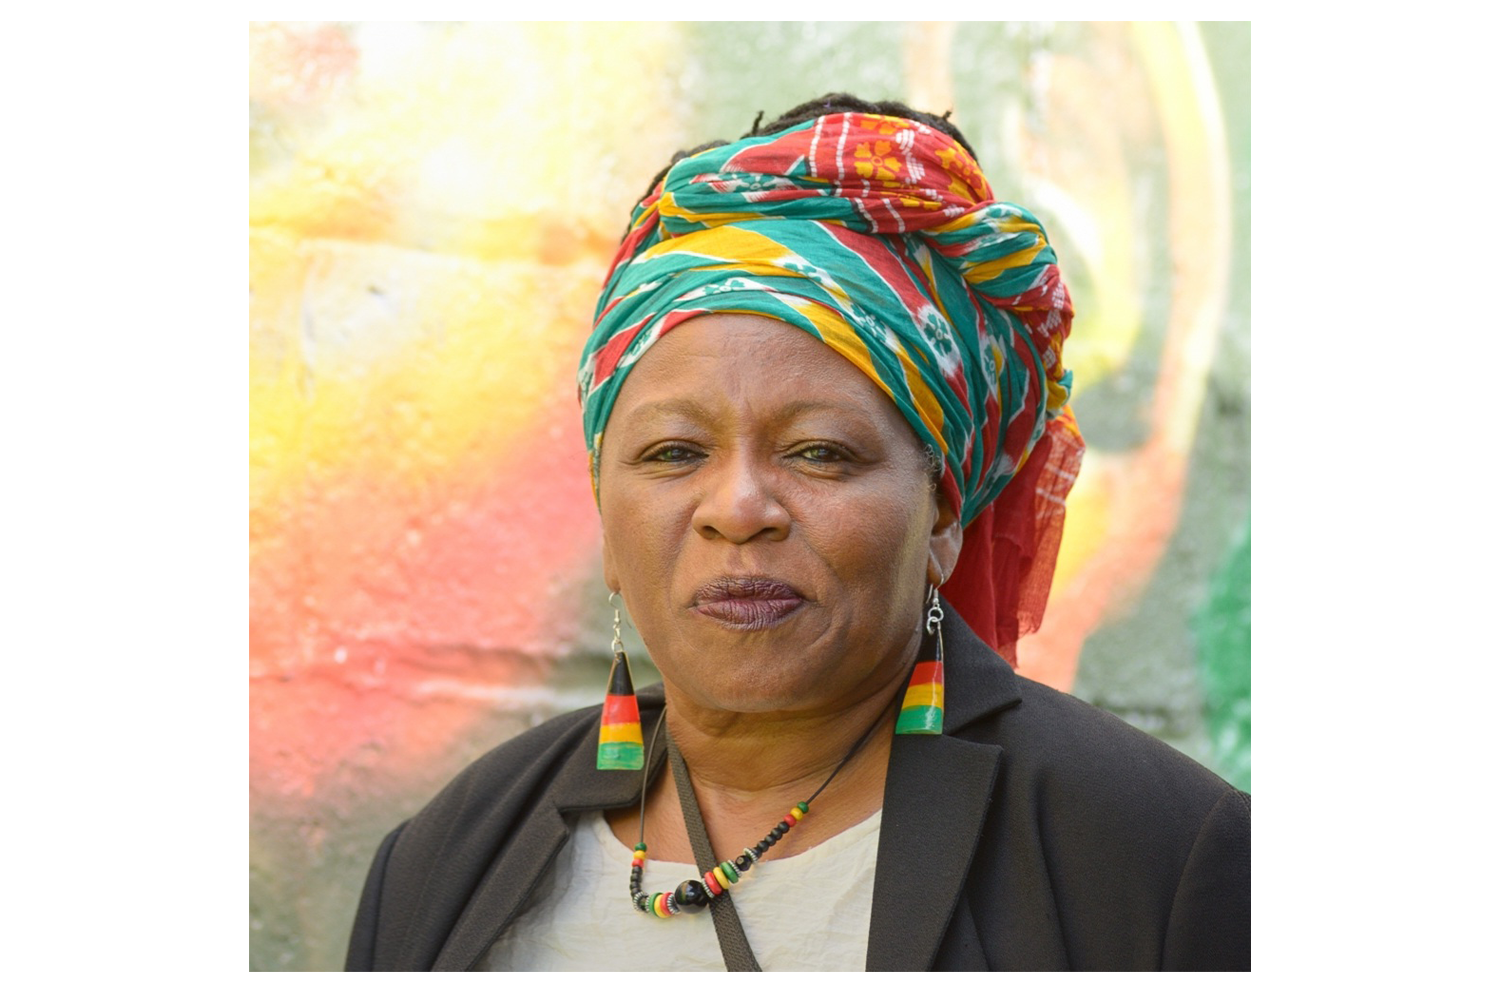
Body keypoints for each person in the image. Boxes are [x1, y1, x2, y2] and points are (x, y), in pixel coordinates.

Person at [345, 94, 1250, 972]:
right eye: (672, 453)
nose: (738, 509)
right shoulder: (439, 865)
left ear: (942, 511)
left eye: (819, 452)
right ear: (605, 513)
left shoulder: (1156, 862)